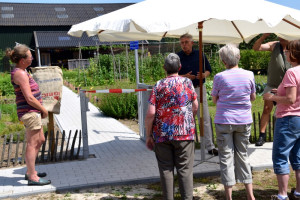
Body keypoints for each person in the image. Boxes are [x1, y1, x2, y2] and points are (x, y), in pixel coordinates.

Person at [145, 53, 198, 200]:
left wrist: (149, 135)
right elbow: (195, 106)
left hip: (162, 134)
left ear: (164, 68)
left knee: (166, 170)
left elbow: (150, 113)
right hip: (185, 134)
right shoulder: (187, 83)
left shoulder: (158, 85)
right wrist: (188, 121)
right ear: (180, 67)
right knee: (185, 170)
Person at [211, 44, 256, 200]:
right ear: (239, 57)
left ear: (223, 61)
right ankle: (250, 195)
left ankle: (229, 196)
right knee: (243, 155)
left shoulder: (219, 77)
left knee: (226, 157)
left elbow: (214, 99)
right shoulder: (249, 74)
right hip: (244, 120)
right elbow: (253, 97)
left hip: (224, 120)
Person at [6, 44, 51, 186]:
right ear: (22, 59)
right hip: (29, 112)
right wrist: (43, 109)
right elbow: (29, 98)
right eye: (30, 56)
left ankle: (29, 171)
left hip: (32, 112)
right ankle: (32, 176)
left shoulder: (23, 71)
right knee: (33, 143)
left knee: (41, 139)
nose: (32, 58)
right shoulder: (19, 73)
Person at [263, 40, 300, 200]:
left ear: (294, 53)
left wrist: (272, 97)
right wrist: (279, 92)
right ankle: (298, 192)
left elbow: (290, 99)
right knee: (298, 156)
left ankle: (282, 195)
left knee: (280, 156)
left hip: (288, 118)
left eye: (287, 51)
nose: (285, 53)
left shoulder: (291, 72)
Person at [177, 33, 218, 156]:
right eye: (182, 43)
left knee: (204, 117)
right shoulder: (177, 57)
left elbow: (208, 70)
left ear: (192, 43)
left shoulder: (200, 55)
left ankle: (210, 146)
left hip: (199, 88)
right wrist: (185, 77)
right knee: (184, 117)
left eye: (186, 42)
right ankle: (185, 146)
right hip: (184, 90)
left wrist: (204, 75)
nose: (184, 45)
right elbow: (171, 74)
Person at [253, 33, 291, 146]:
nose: (280, 36)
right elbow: (256, 48)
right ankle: (262, 135)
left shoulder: (295, 46)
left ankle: (286, 135)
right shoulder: (274, 45)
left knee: (288, 110)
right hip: (272, 85)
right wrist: (264, 36)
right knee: (266, 109)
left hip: (288, 86)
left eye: (283, 34)